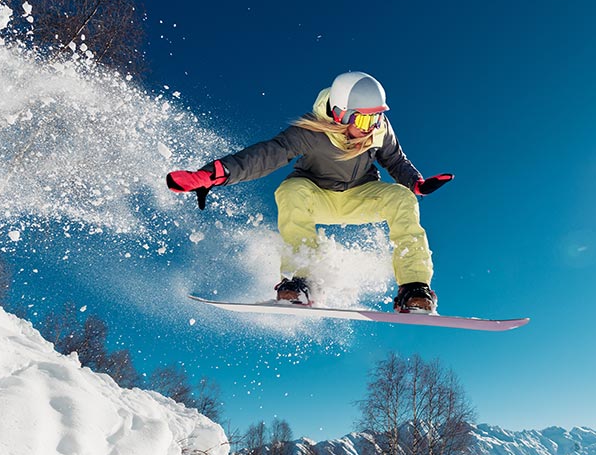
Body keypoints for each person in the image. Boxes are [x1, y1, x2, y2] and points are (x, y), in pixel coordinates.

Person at [167, 71, 452, 313]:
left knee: (402, 198)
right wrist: (214, 174)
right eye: (364, 121)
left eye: (377, 118)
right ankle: (302, 281)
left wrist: (416, 183)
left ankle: (414, 287)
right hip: (317, 196)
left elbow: (395, 160)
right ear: (340, 114)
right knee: (290, 189)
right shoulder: (310, 130)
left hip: (360, 196)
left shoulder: (380, 130)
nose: (372, 128)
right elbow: (269, 154)